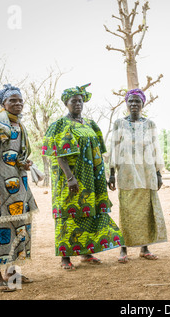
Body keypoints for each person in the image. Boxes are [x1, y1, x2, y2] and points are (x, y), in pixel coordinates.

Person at [42, 83, 124, 270]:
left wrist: (102, 176)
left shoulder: (90, 124)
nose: (78, 104)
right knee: (68, 215)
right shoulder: (60, 125)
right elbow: (58, 153)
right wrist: (70, 177)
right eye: (74, 101)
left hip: (90, 177)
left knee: (89, 212)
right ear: (66, 103)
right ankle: (65, 258)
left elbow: (97, 152)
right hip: (69, 178)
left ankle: (86, 253)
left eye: (80, 101)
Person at [0, 84, 38, 291]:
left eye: (20, 100)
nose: (18, 103)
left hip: (19, 185)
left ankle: (12, 272)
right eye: (12, 100)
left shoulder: (19, 127)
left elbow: (14, 156)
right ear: (3, 104)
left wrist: (23, 164)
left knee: (20, 227)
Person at [108, 88, 167, 263]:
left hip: (147, 173)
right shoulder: (119, 124)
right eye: (131, 101)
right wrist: (111, 174)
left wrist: (158, 174)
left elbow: (156, 149)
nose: (134, 104)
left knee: (146, 211)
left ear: (143, 104)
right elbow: (114, 149)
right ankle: (123, 249)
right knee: (126, 211)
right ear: (126, 103)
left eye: (137, 101)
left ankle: (145, 248)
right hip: (126, 175)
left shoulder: (150, 124)